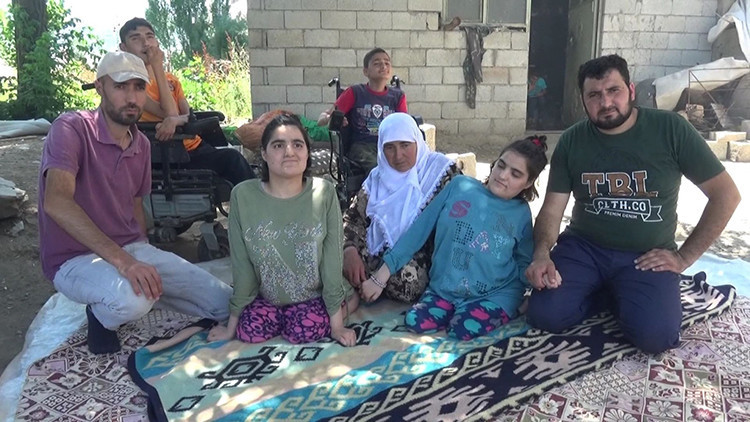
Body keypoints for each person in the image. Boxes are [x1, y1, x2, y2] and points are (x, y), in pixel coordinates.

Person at [525, 54, 741, 354]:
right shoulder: (572, 141)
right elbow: (551, 210)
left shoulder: (670, 129)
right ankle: (611, 293)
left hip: (645, 255)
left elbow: (726, 195)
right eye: (594, 95)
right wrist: (541, 255)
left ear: (631, 90)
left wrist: (683, 258)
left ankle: (621, 293)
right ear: (583, 100)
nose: (606, 102)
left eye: (614, 90)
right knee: (544, 314)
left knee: (656, 338)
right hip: (584, 249)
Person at [38, 51, 233, 355]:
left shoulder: (141, 143)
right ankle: (101, 317)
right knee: (132, 301)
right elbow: (57, 202)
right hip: (73, 258)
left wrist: (144, 255)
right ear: (100, 87)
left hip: (129, 248)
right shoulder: (71, 129)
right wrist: (126, 264)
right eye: (120, 86)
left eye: (139, 87)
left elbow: (134, 204)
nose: (131, 98)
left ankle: (149, 293)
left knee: (225, 303)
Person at [364, 136, 550, 340]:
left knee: (462, 329)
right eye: (501, 165)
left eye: (515, 174)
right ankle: (458, 306)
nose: (503, 175)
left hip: (495, 293)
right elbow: (419, 230)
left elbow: (524, 260)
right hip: (444, 289)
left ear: (528, 182)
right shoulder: (459, 186)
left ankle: (512, 308)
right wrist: (381, 275)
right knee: (416, 322)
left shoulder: (521, 213)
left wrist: (531, 287)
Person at [208, 113, 359, 347]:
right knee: (248, 331)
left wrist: (337, 326)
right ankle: (283, 317)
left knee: (304, 330)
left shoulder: (324, 192)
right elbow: (241, 264)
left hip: (315, 295)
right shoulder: (243, 196)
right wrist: (231, 325)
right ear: (264, 154)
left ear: (307, 153)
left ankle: (348, 301)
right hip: (269, 297)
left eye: (297, 144)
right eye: (278, 145)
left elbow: (331, 261)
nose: (289, 152)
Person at [119, 17, 255, 186]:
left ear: (157, 42)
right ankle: (258, 200)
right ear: (124, 48)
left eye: (149, 36)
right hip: (170, 155)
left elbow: (188, 116)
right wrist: (157, 67)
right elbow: (170, 113)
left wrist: (177, 120)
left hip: (194, 145)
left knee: (239, 161)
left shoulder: (172, 80)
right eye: (136, 38)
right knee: (232, 159)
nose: (145, 43)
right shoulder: (132, 86)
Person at [343, 112, 461, 303]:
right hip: (377, 252)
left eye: (405, 145)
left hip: (423, 252)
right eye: (389, 147)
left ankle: (369, 284)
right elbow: (353, 218)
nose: (398, 156)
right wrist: (349, 250)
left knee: (408, 281)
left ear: (417, 141)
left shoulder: (441, 172)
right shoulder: (377, 178)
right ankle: (366, 282)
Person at [317, 47, 407, 176]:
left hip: (388, 144)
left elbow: (405, 125)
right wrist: (327, 118)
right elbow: (328, 114)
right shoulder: (355, 92)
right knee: (378, 167)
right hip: (361, 145)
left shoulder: (397, 96)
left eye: (387, 63)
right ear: (366, 71)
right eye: (377, 63)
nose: (383, 66)